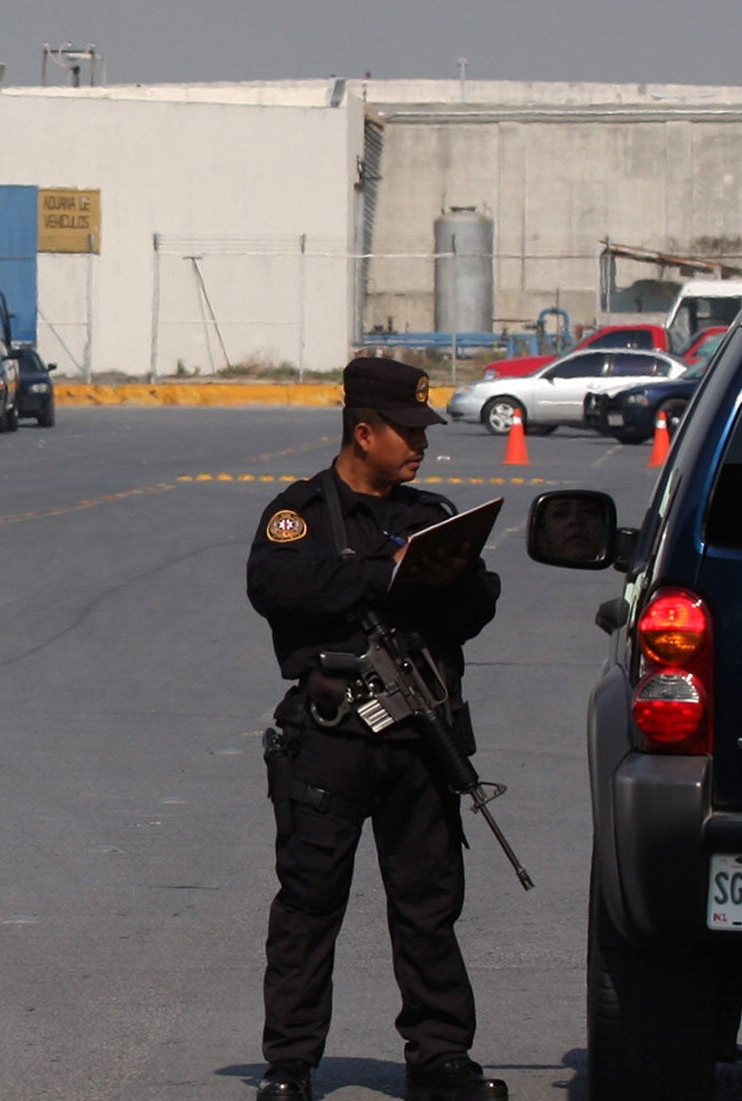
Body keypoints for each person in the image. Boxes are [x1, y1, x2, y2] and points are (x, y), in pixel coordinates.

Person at [246, 356, 509, 1101]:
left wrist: (431, 576)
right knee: (308, 901)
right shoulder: (300, 513)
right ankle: (290, 1065)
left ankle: (440, 1057)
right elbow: (280, 585)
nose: (420, 445)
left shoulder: (428, 517)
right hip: (332, 736)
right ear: (364, 432)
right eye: (408, 431)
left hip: (419, 736)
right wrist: (387, 578)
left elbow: (477, 601)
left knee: (429, 903)